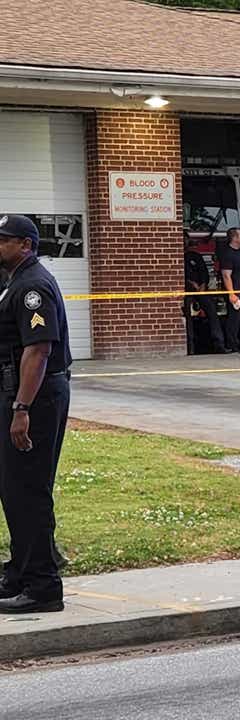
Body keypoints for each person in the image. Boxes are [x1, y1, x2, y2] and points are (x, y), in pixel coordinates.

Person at [0, 214, 72, 613]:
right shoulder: (13, 281)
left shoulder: (32, 286)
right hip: (19, 394)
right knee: (13, 488)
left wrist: (21, 409)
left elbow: (39, 350)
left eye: (3, 240)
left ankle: (43, 587)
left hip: (36, 398)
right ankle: (20, 573)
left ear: (26, 244)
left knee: (29, 490)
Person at [183, 232, 227, 354]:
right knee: (187, 317)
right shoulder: (175, 258)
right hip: (186, 292)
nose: (184, 242)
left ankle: (219, 344)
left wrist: (203, 284)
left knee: (212, 311)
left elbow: (204, 271)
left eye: (186, 239)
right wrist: (191, 283)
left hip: (201, 290)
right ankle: (190, 347)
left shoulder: (195, 256)